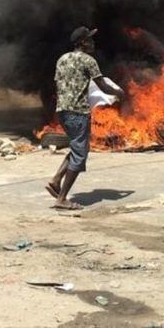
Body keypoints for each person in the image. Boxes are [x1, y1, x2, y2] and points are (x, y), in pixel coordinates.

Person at [45, 27, 125, 210]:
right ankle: (62, 198)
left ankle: (56, 181)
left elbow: (58, 85)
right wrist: (119, 92)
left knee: (76, 147)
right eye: (90, 40)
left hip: (63, 111)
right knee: (80, 155)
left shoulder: (62, 59)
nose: (93, 43)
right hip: (78, 112)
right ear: (82, 42)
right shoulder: (89, 61)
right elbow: (103, 86)